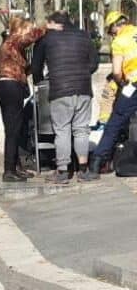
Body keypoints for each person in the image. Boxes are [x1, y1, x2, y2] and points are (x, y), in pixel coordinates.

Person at [31, 11, 98, 184]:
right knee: (82, 130)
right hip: (83, 89)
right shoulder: (84, 36)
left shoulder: (47, 39)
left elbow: (36, 66)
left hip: (60, 90)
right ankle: (83, 170)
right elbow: (94, 63)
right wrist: (82, 74)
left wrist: (39, 81)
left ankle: (62, 172)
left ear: (53, 23)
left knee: (62, 131)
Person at [0, 17, 45, 183]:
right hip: (10, 87)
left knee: (14, 129)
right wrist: (46, 28)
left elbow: (23, 69)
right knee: (12, 131)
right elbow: (27, 39)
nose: (29, 33)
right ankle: (9, 170)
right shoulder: (13, 41)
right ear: (20, 30)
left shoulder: (12, 47)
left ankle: (15, 167)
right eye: (27, 29)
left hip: (8, 87)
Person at [89, 11, 137, 179]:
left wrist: (121, 83)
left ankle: (96, 164)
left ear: (115, 26)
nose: (112, 35)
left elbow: (117, 72)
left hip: (133, 85)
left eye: (111, 31)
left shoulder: (119, 41)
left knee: (114, 123)